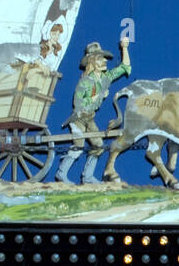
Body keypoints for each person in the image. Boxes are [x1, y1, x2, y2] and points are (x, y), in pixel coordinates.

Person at [55, 37, 131, 183]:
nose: (104, 61)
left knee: (98, 145)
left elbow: (124, 67)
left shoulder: (105, 78)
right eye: (100, 58)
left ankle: (87, 176)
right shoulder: (84, 81)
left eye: (104, 58)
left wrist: (124, 48)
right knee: (79, 146)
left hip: (90, 118)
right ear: (92, 62)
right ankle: (61, 173)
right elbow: (78, 104)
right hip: (78, 119)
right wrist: (98, 96)